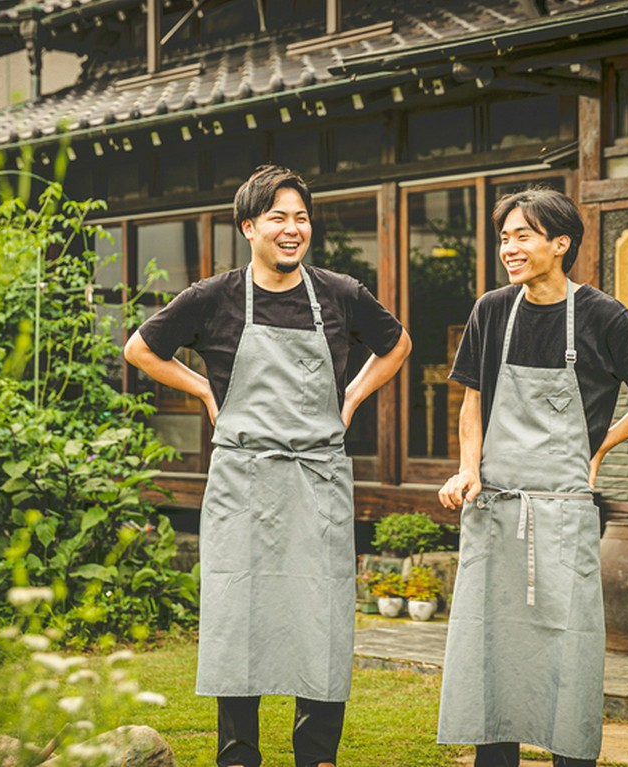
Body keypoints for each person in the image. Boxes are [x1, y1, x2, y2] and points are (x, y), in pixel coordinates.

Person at [123, 164, 411, 767]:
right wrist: (203, 389)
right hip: (244, 479)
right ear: (249, 226)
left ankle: (317, 755)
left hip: (318, 477)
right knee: (237, 613)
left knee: (323, 612)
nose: (292, 229)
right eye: (278, 217)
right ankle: (238, 756)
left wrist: (351, 397)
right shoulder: (215, 296)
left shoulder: (340, 294)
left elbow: (397, 344)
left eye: (301, 217)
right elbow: (141, 349)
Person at [436, 187, 628, 767]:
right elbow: (472, 404)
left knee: (567, 651)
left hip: (564, 511)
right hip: (495, 509)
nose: (509, 249)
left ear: (560, 243)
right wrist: (468, 468)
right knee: (489, 646)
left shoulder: (602, 314)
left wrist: (600, 444)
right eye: (504, 238)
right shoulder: (492, 310)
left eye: (522, 236)